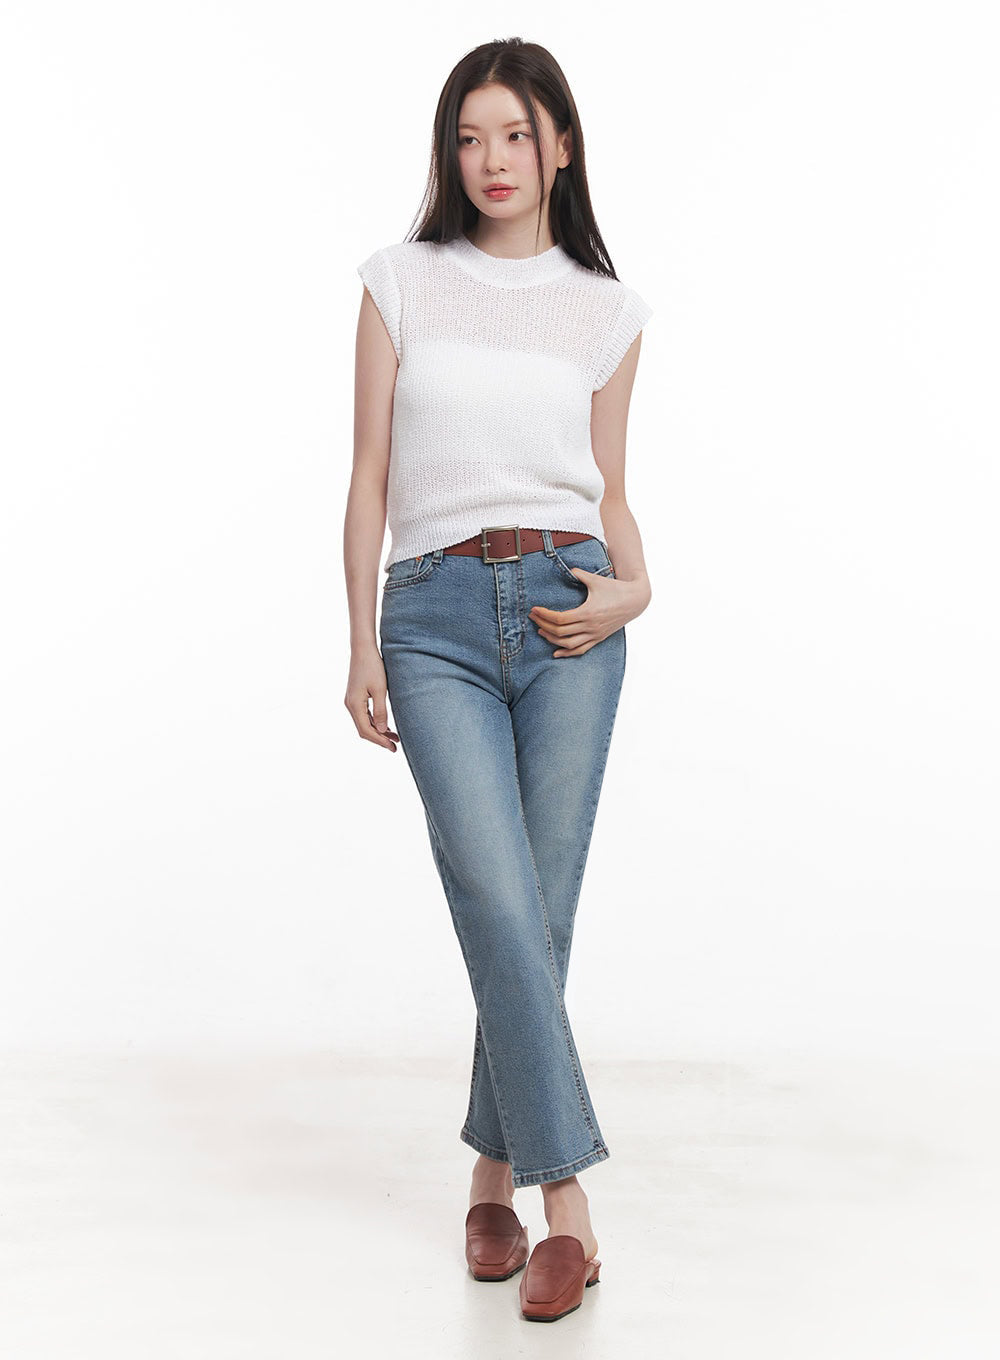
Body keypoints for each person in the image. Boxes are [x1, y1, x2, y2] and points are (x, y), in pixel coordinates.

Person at [344, 37, 653, 1323]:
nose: (492, 160)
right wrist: (360, 641)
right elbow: (369, 473)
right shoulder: (398, 282)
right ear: (448, 152)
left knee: (541, 908)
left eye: (516, 134)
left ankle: (488, 1174)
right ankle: (566, 1205)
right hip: (431, 617)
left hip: (572, 607)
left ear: (560, 147)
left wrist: (638, 586)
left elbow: (610, 489)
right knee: (496, 895)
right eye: (469, 137)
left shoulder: (606, 310)